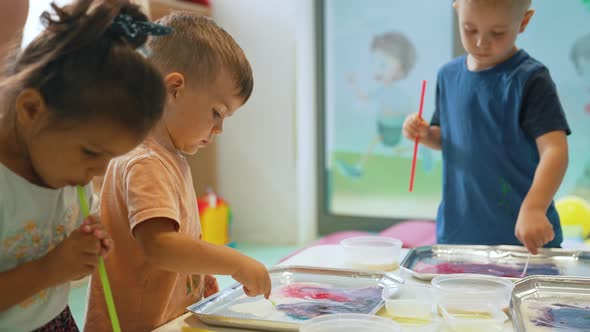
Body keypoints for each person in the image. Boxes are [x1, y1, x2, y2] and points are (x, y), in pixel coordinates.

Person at [85, 12, 272, 332]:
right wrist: (236, 262)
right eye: (217, 113)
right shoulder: (145, 161)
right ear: (174, 89)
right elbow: (160, 246)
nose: (219, 129)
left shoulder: (168, 157)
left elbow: (176, 245)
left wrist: (196, 278)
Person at [0, 0, 169, 330]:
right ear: (32, 109)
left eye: (108, 161)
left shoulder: (62, 168)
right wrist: (49, 269)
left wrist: (88, 244)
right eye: (91, 153)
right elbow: (49, 267)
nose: (96, 174)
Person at [403, 0, 570, 254]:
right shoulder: (447, 76)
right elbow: (447, 139)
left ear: (523, 22)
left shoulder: (531, 79)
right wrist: (425, 134)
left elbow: (555, 150)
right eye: (470, 29)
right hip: (458, 237)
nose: (481, 42)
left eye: (497, 33)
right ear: (457, 7)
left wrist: (535, 208)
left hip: (524, 241)